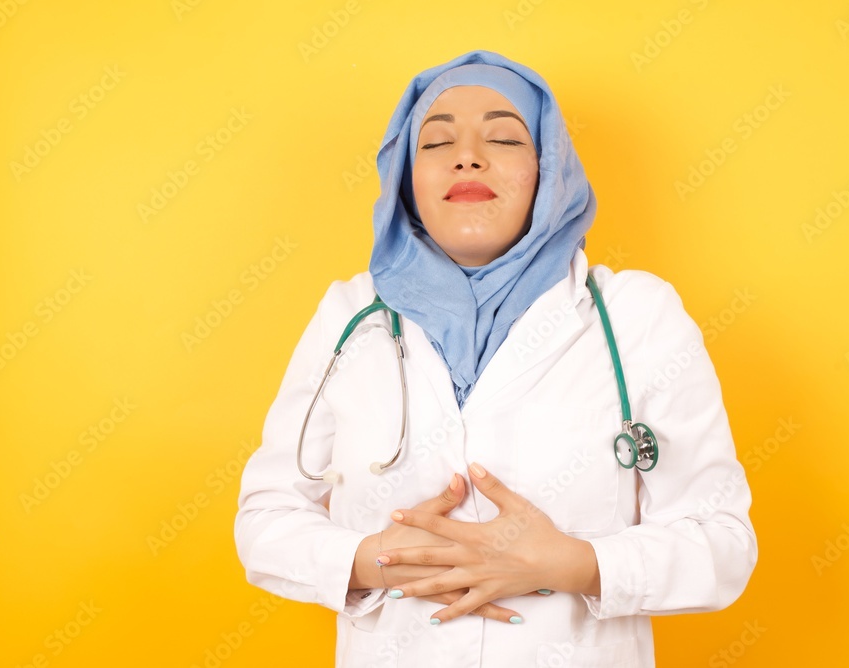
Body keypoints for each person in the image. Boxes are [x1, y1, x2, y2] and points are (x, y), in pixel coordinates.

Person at [234, 50, 757, 667]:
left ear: (549, 169)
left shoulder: (636, 314)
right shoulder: (349, 314)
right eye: (436, 142)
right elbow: (265, 521)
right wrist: (375, 559)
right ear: (406, 178)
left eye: (504, 138)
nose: (467, 156)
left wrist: (573, 564)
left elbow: (723, 545)